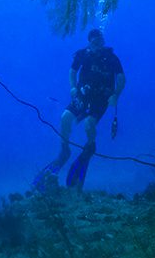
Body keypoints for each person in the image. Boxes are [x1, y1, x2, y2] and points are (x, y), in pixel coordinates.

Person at [35, 28, 125, 190]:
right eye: (95, 41)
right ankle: (64, 149)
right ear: (89, 41)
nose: (98, 44)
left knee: (88, 124)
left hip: (101, 99)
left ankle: (89, 147)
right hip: (83, 96)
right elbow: (72, 71)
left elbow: (121, 77)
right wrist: (73, 87)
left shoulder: (111, 58)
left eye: (100, 41)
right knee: (65, 118)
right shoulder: (82, 54)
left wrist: (115, 95)